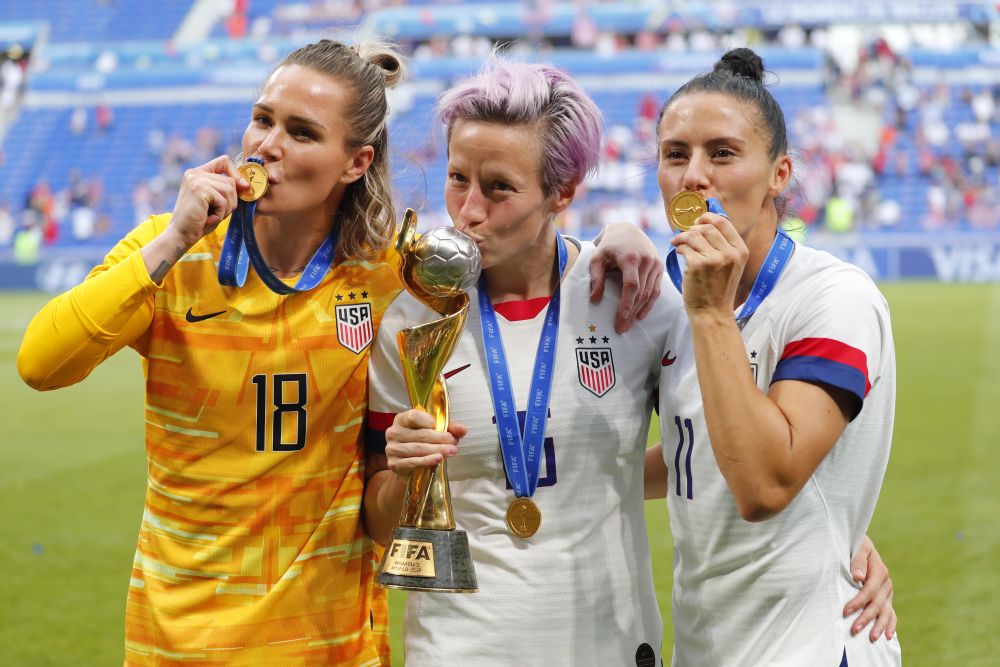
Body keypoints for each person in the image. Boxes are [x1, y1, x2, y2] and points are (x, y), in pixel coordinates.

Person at [362, 57, 896, 666]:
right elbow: (693, 450)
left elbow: (764, 475)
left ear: (562, 192)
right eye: (458, 178)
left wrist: (839, 529)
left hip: (695, 647)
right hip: (476, 649)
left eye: (500, 187)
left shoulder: (654, 299)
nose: (469, 210)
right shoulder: (413, 319)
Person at [18, 38, 407, 665]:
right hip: (178, 641)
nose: (266, 146)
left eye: (301, 132)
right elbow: (41, 363)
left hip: (329, 644)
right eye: (263, 119)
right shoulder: (172, 253)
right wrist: (173, 238)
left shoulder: (386, 277)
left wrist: (618, 235)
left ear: (355, 163)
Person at [646, 48, 901, 665]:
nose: (693, 175)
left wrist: (710, 315)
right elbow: (693, 451)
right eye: (675, 154)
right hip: (709, 645)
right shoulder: (668, 299)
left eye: (723, 153)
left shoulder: (834, 298)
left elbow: (763, 484)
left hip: (810, 646)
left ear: (779, 174)